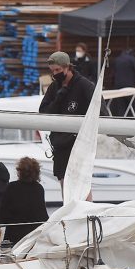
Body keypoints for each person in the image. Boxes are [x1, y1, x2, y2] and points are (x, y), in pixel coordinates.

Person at [38, 51, 97, 186]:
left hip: (78, 143)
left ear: (67, 67)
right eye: (52, 71)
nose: (55, 74)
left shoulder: (84, 85)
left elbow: (100, 109)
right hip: (59, 144)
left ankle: (86, 206)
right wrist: (58, 98)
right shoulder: (54, 87)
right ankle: (68, 206)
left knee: (81, 182)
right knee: (63, 182)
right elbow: (44, 113)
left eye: (58, 70)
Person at [0, 157, 50, 245]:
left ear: (19, 172)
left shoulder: (11, 187)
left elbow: (3, 214)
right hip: (34, 235)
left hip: (14, 235)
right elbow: (42, 215)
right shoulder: (39, 188)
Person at [109, 48, 135, 116]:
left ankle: (121, 122)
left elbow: (112, 74)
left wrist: (113, 84)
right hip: (130, 86)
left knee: (121, 107)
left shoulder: (117, 59)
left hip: (118, 86)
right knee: (133, 105)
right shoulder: (132, 59)